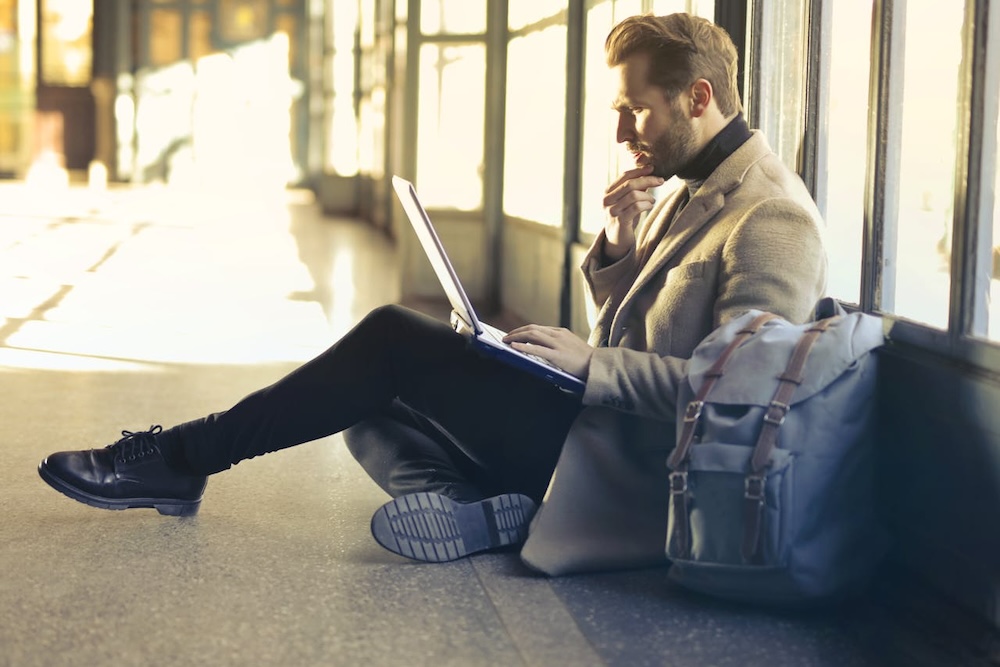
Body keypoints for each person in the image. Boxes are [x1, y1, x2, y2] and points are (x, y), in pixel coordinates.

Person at [37, 13, 826, 571]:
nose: (624, 133)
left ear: (697, 97)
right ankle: (478, 505)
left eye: (637, 110)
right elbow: (642, 334)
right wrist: (619, 250)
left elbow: (741, 406)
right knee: (365, 403)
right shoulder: (691, 183)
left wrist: (590, 367)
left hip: (632, 473)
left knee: (387, 340)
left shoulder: (772, 217)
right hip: (592, 423)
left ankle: (182, 456)